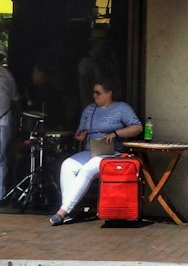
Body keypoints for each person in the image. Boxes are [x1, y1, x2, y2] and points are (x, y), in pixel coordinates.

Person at [49, 79, 143, 224]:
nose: (94, 96)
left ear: (109, 94)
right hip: (91, 150)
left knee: (87, 170)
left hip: (112, 152)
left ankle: (63, 212)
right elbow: (81, 132)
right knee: (67, 165)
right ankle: (71, 210)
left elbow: (137, 127)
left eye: (98, 93)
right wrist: (80, 136)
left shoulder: (121, 108)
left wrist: (115, 134)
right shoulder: (89, 109)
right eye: (93, 93)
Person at [0, 40, 21, 201]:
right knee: (1, 160)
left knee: (1, 159)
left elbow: (14, 99)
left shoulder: (7, 75)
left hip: (3, 119)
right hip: (4, 119)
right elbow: (15, 100)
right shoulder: (8, 75)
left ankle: (0, 195)